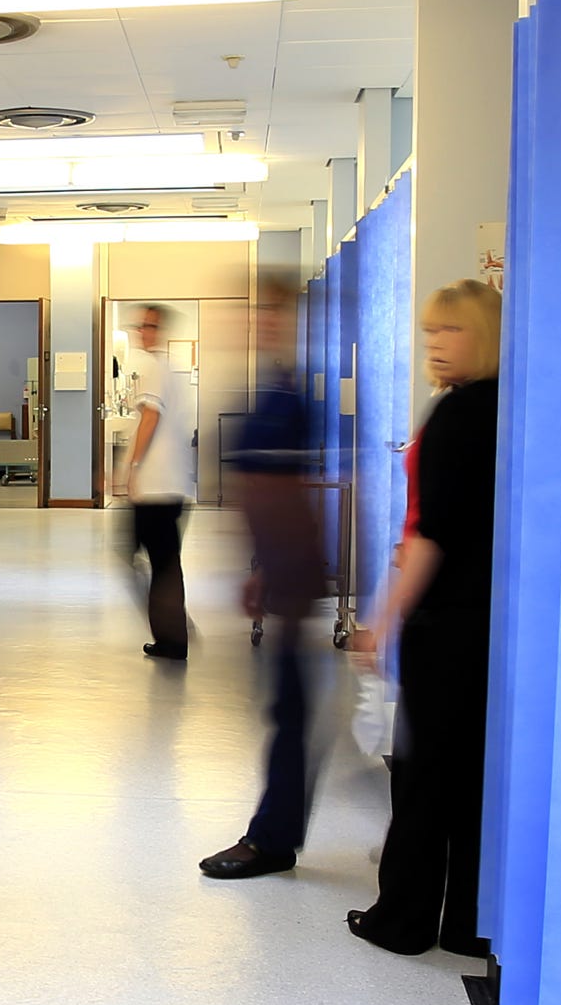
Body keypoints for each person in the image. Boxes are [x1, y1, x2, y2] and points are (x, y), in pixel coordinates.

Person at [345, 279, 502, 957]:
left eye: (451, 331)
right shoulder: (506, 408)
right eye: (430, 332)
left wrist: (382, 618)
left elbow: (431, 534)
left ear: (485, 335)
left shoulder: (458, 414)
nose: (435, 345)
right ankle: (470, 921)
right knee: (470, 775)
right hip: (489, 618)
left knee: (421, 773)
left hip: (447, 621)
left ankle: (401, 918)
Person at [201, 280, 327, 880]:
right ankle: (276, 832)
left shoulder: (288, 398)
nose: (259, 325)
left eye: (270, 314)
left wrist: (279, 571)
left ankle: (272, 840)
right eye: (253, 315)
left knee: (291, 707)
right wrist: (258, 567)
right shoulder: (272, 391)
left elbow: (283, 496)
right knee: (289, 705)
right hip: (281, 567)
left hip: (293, 571)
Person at [120, 303, 195, 660]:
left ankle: (173, 633)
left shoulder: (152, 368)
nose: (143, 332)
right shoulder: (168, 370)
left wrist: (132, 466)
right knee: (161, 562)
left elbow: (150, 417)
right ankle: (173, 629)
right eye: (141, 325)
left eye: (150, 326)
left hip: (156, 488)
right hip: (169, 485)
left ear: (160, 331)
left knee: (150, 560)